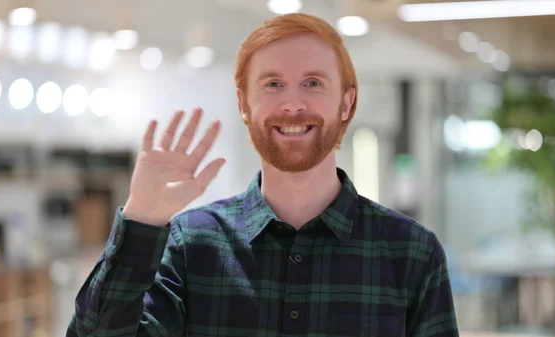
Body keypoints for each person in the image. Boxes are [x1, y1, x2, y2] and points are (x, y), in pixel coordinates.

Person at [67, 13, 459, 337]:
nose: (292, 104)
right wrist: (142, 218)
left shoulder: (412, 254)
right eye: (273, 84)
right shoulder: (191, 246)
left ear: (346, 102)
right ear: (243, 103)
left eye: (313, 83)